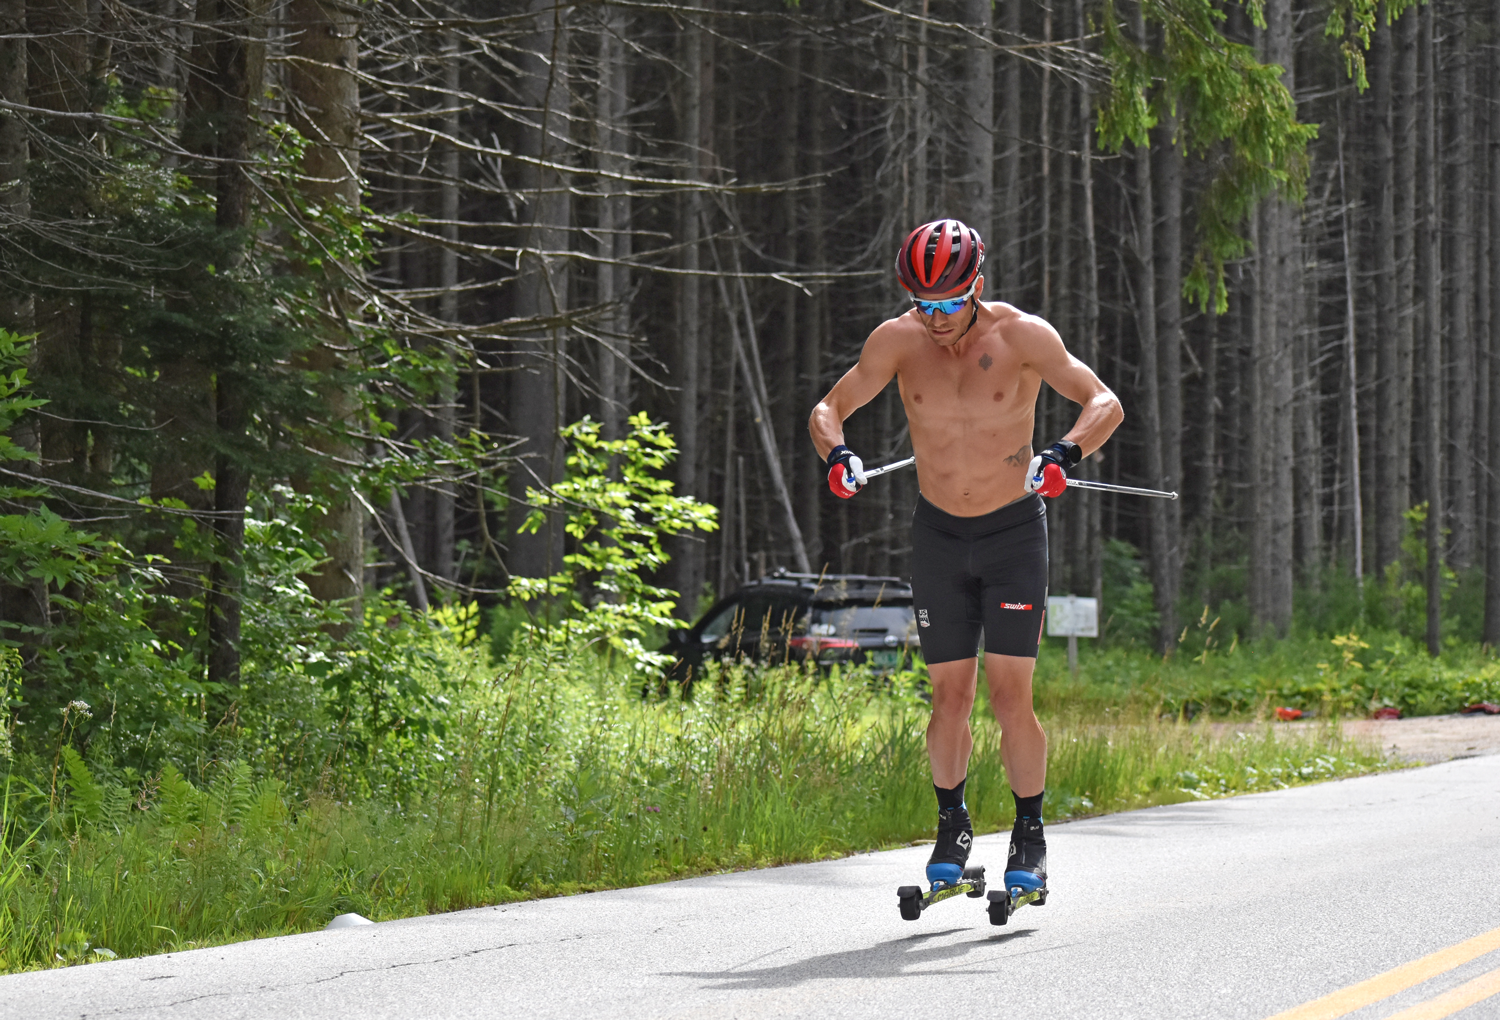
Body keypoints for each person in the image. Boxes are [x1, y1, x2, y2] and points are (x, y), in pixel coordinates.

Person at [808, 218, 1123, 896]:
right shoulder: (897, 341)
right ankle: (952, 824)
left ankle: (1029, 832)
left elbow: (1104, 401)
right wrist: (838, 456)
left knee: (1011, 697)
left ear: (977, 285)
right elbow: (828, 409)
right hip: (940, 537)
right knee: (949, 698)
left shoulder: (1024, 337)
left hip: (1013, 536)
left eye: (949, 302)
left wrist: (1065, 453)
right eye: (923, 303)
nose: (936, 317)